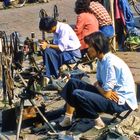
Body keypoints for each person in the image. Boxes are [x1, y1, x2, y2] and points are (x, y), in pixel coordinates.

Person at [59, 31, 138, 129]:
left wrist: (99, 87)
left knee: (77, 94)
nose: (88, 49)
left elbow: (106, 93)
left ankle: (98, 121)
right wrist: (101, 87)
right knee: (72, 83)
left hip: (120, 102)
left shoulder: (110, 63)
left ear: (98, 48)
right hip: (110, 95)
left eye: (90, 47)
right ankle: (68, 118)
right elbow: (100, 84)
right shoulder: (101, 60)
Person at [39, 17, 81, 82]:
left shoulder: (63, 29)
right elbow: (56, 44)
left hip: (73, 54)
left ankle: (53, 74)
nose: (47, 32)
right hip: (66, 52)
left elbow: (61, 48)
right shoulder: (56, 30)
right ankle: (50, 73)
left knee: (49, 52)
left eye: (47, 31)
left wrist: (47, 45)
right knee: (47, 51)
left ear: (52, 27)